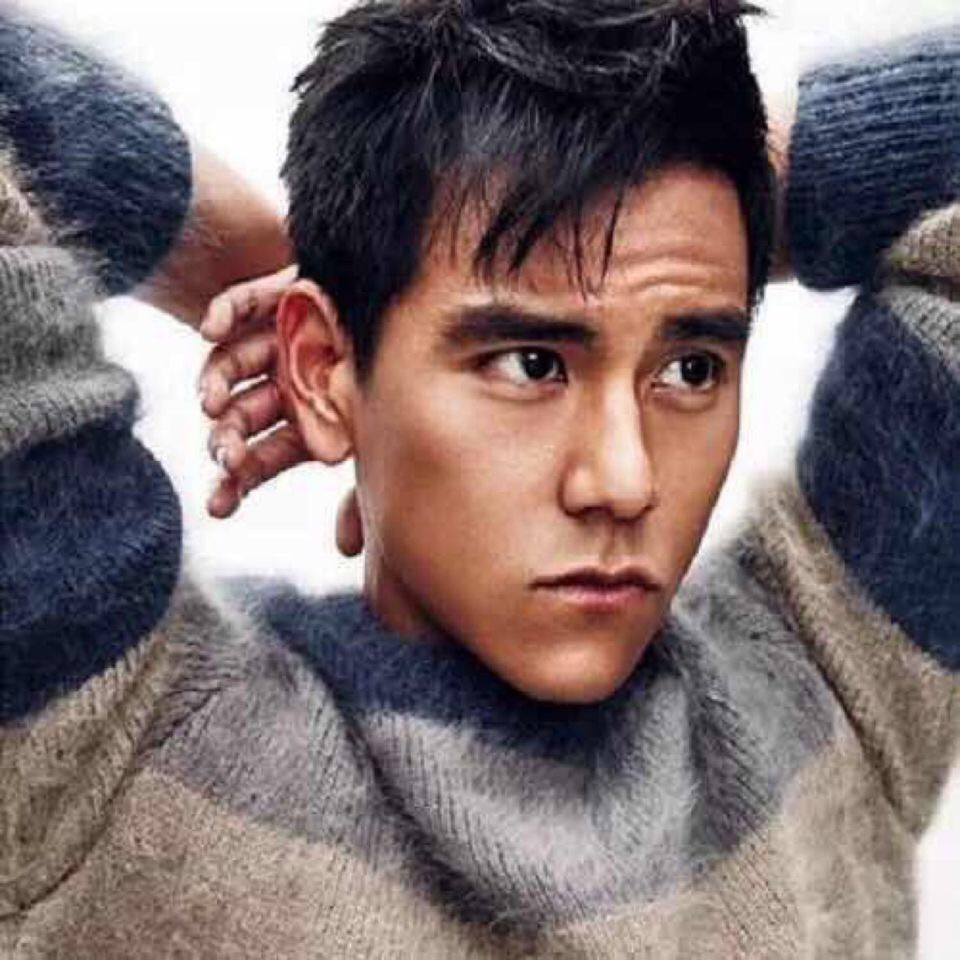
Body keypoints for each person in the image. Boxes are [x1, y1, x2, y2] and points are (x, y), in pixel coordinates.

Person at [1, 1, 957, 957]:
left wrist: (711, 186)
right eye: (531, 364)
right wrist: (267, 254)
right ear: (319, 369)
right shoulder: (102, 750)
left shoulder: (830, 680)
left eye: (690, 369)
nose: (624, 481)